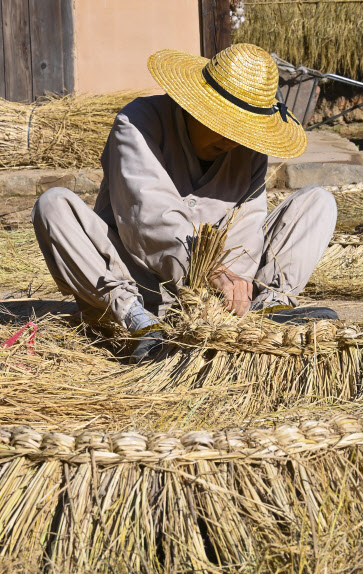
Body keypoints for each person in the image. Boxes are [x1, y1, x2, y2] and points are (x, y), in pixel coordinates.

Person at [32, 43, 338, 363]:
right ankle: (138, 324)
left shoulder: (247, 150)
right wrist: (205, 271)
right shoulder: (137, 123)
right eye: (223, 125)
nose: (231, 140)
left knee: (318, 202)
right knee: (53, 205)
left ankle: (268, 309)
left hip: (222, 294)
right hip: (134, 279)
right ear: (194, 106)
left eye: (242, 131)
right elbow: (149, 219)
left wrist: (235, 282)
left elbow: (247, 221)